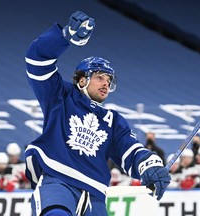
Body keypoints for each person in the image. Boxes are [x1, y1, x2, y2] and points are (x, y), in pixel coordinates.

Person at [24, 11, 171, 216]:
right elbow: (36, 59)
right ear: (82, 80)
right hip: (58, 181)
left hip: (95, 194)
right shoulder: (60, 96)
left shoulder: (112, 120)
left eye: (109, 81)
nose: (106, 84)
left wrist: (151, 166)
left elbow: (130, 151)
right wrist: (64, 35)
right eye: (100, 77)